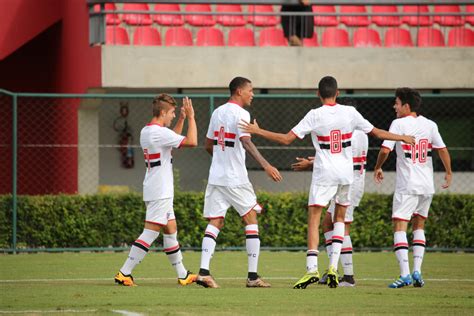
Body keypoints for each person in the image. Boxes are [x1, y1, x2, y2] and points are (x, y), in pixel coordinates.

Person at [239, 76, 415, 289]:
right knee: (340, 218)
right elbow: (377, 133)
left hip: (325, 174)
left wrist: (258, 131)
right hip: (346, 174)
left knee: (315, 218)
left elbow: (286, 139)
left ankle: (312, 268)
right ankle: (333, 267)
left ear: (318, 94)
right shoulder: (350, 113)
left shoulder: (315, 114)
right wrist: (402, 138)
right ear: (338, 93)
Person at [196, 76, 282, 289]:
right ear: (238, 91)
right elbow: (246, 141)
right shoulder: (242, 113)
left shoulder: (217, 112)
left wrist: (221, 160)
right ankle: (253, 277)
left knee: (215, 222)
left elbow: (208, 145)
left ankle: (204, 273)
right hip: (235, 178)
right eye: (250, 90)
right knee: (251, 219)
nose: (252, 94)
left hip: (216, 176)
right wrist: (266, 165)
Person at [114, 94, 198, 287]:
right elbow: (192, 142)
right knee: (150, 233)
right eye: (172, 113)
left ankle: (183, 274)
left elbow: (172, 141)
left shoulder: (147, 131)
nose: (172, 116)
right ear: (162, 112)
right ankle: (124, 273)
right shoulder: (159, 133)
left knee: (171, 230)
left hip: (157, 188)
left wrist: (182, 119)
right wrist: (192, 117)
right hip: (160, 191)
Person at [374, 87, 452, 289]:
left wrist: (378, 166)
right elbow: (442, 149)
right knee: (419, 226)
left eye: (397, 103)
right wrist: (449, 172)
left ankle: (405, 274)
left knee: (399, 226)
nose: (394, 107)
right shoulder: (430, 125)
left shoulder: (399, 123)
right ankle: (417, 270)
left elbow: (385, 149)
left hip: (407, 184)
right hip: (427, 185)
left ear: (406, 106)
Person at [292, 127, 368, 287]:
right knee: (328, 223)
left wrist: (312, 163)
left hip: (349, 183)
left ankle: (348, 276)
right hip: (353, 180)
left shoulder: (349, 135)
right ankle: (333, 269)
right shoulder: (361, 134)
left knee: (342, 224)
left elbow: (340, 161)